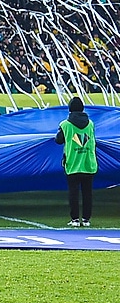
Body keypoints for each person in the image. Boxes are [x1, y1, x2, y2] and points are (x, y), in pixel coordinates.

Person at [55, 96, 98, 227]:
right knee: (87, 193)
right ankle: (86, 219)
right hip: (88, 162)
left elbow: (58, 140)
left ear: (70, 109)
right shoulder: (90, 123)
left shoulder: (65, 125)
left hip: (73, 163)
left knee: (73, 193)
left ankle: (74, 219)